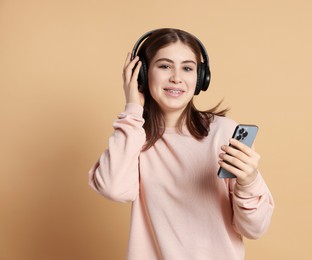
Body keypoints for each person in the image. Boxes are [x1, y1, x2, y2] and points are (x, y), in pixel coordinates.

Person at [88, 28, 274, 260]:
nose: (177, 77)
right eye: (165, 66)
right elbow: (113, 188)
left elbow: (254, 228)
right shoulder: (134, 137)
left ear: (201, 78)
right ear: (142, 74)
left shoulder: (224, 132)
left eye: (187, 68)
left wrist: (249, 182)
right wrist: (133, 108)